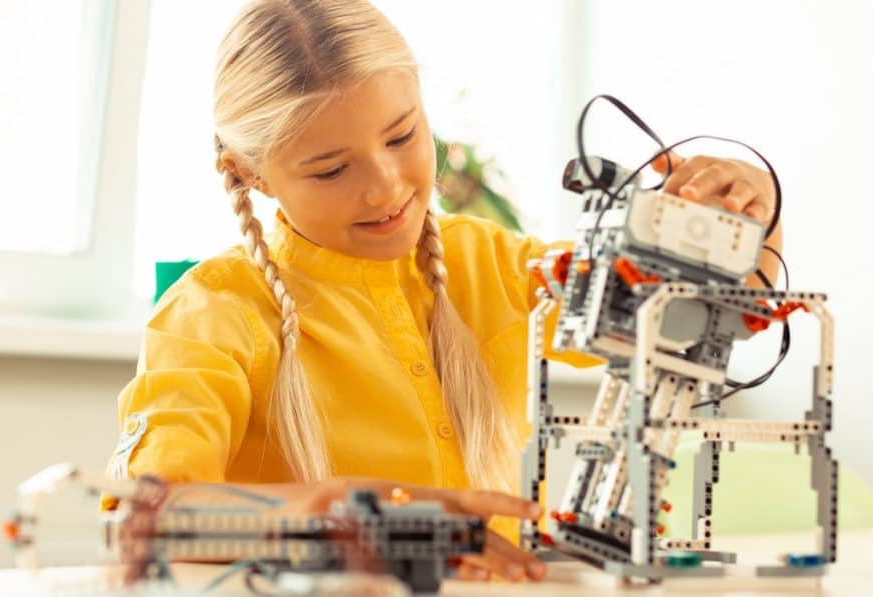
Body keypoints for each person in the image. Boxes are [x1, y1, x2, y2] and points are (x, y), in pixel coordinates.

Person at [106, 0, 782, 582]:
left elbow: (714, 321)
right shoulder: (214, 310)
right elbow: (151, 515)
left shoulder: (488, 262)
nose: (386, 185)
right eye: (331, 169)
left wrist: (754, 210)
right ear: (250, 174)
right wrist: (349, 515)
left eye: (403, 135)